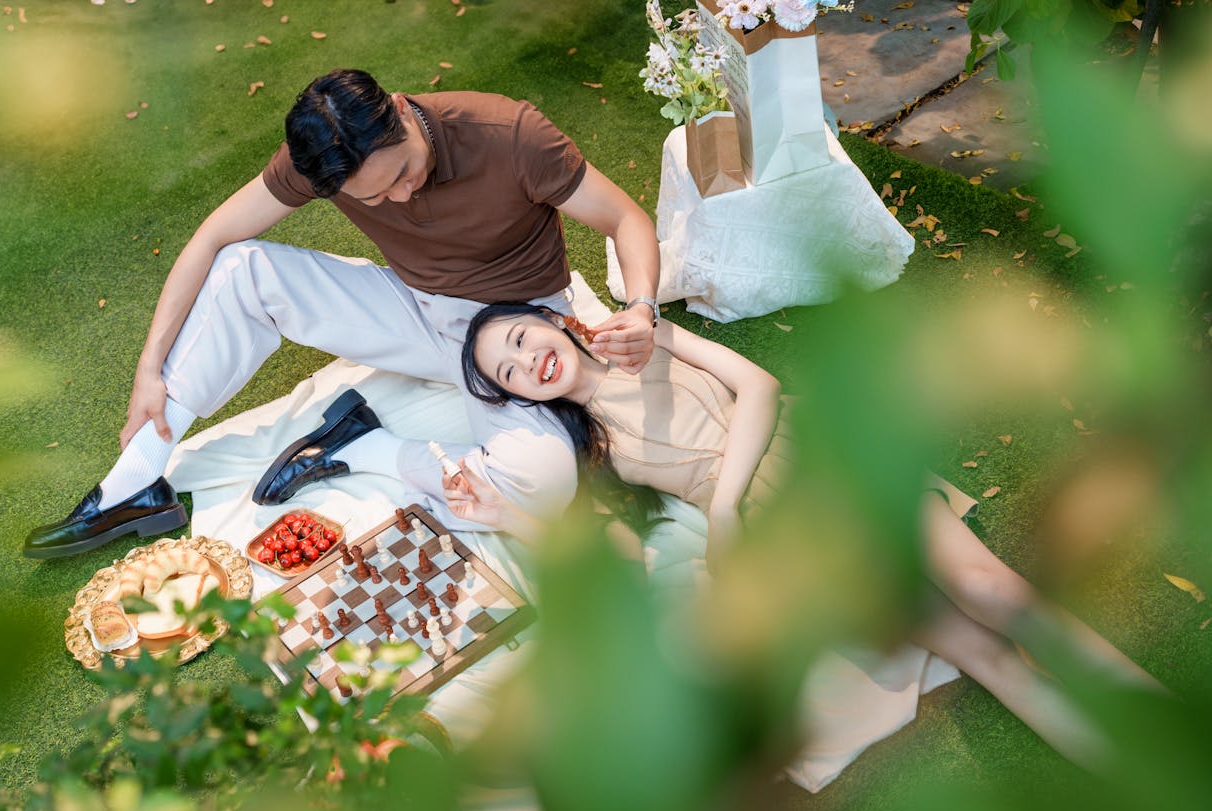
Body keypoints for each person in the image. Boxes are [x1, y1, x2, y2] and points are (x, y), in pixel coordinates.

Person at [448, 302, 1163, 769]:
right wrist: (504, 514)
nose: (527, 361)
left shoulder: (646, 335)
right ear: (523, 398)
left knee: (992, 589)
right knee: (983, 653)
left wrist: (724, 509)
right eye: (510, 374)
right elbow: (609, 548)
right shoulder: (592, 453)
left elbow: (757, 386)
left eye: (519, 338)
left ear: (549, 318)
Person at [22, 69, 662, 559]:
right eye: (376, 197)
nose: (401, 196)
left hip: (517, 337)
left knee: (538, 486)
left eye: (404, 172)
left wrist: (640, 307)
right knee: (247, 269)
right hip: (419, 311)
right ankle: (132, 486)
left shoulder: (510, 133)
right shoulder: (322, 156)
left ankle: (363, 444)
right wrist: (148, 370)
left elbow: (624, 218)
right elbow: (212, 239)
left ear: (400, 115)